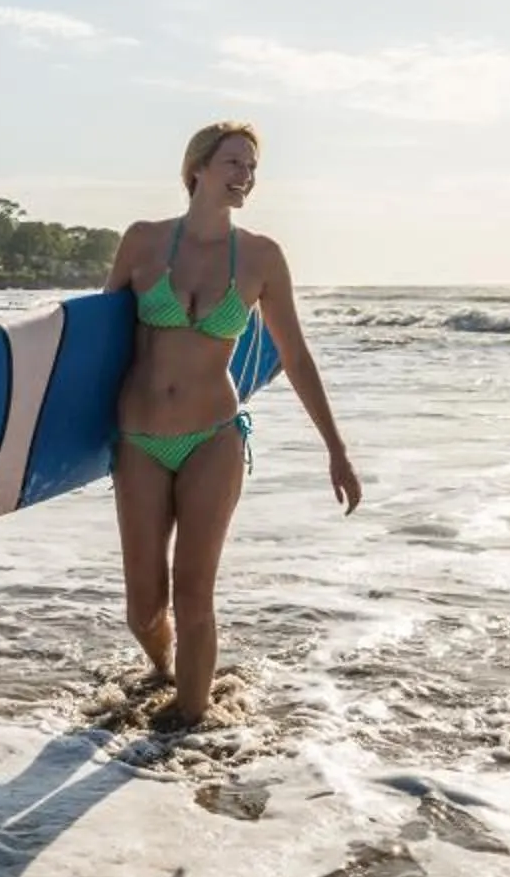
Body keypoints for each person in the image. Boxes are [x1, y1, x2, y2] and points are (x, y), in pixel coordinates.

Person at [105, 121, 361, 725]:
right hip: (139, 439)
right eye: (233, 163)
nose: (245, 176)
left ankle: (191, 726)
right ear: (197, 168)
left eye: (251, 167)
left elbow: (293, 355)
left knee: (194, 592)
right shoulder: (142, 243)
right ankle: (164, 670)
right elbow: (99, 344)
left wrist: (336, 449)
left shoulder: (262, 257)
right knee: (144, 605)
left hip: (213, 437)